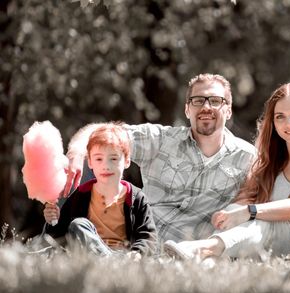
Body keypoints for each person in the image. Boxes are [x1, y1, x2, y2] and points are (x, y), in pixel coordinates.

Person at [63, 74, 256, 242]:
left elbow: (258, 203)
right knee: (82, 219)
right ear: (187, 109)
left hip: (187, 251)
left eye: (215, 100)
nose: (206, 107)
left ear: (228, 110)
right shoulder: (161, 140)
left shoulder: (247, 158)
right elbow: (105, 132)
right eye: (198, 100)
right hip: (137, 240)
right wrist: (76, 152)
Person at [163, 82, 290, 260]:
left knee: (262, 220)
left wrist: (249, 211)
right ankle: (208, 261)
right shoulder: (269, 163)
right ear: (273, 122)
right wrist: (229, 215)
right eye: (280, 117)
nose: (288, 123)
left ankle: (203, 250)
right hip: (270, 242)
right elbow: (241, 206)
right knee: (234, 209)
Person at [43, 123, 157, 256]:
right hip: (91, 255)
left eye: (113, 159)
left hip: (124, 256)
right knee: (78, 225)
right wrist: (52, 221)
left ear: (126, 161)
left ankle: (112, 261)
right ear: (90, 162)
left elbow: (148, 237)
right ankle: (109, 261)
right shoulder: (81, 194)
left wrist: (137, 253)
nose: (105, 166)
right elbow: (58, 237)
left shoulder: (136, 198)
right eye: (98, 159)